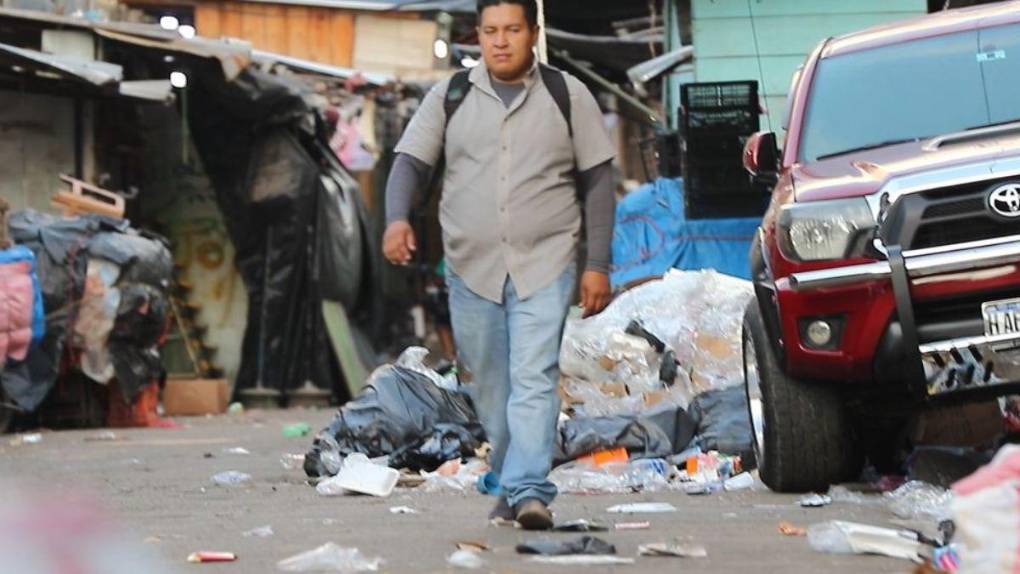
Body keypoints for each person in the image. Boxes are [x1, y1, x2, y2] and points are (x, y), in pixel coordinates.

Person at [382, 0, 615, 530]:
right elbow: (410, 163)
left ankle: (531, 490)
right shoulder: (452, 95)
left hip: (547, 258)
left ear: (533, 34)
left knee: (534, 375)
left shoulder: (565, 94)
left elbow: (598, 181)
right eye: (491, 31)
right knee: (490, 385)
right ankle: (515, 481)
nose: (501, 41)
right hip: (471, 265)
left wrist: (596, 262)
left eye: (512, 29)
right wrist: (397, 219)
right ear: (479, 36)